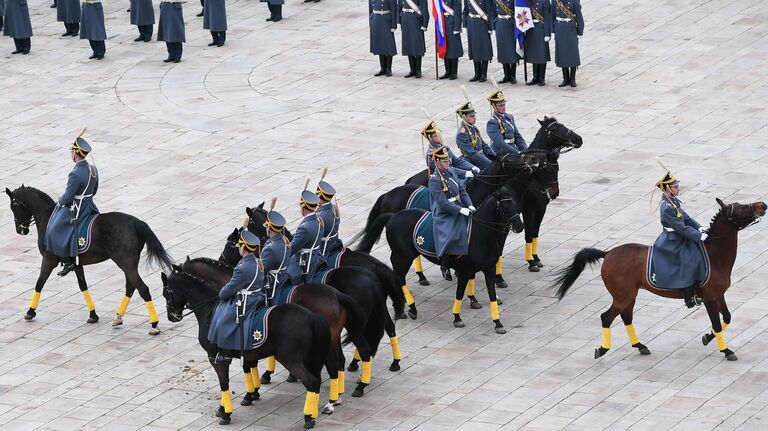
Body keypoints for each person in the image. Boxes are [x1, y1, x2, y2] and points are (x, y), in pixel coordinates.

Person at [44, 134, 99, 277]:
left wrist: (60, 200)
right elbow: (94, 191)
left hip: (78, 208)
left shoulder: (74, 174)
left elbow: (68, 198)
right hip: (90, 206)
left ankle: (68, 262)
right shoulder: (93, 169)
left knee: (55, 228)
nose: (71, 154)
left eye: (71, 151)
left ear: (75, 153)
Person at [207, 230, 266, 363]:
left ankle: (226, 353)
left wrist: (222, 292)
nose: (239, 248)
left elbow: (228, 290)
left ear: (244, 248)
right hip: (257, 296)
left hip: (247, 301)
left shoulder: (243, 267)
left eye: (240, 246)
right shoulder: (257, 261)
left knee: (223, 319)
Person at [652, 171, 708, 308]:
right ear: (667, 189)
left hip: (680, 236)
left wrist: (699, 228)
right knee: (689, 261)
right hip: (672, 240)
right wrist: (699, 236)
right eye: (675, 187)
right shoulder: (667, 208)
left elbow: (686, 218)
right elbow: (681, 228)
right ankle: (688, 298)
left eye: (677, 186)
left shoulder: (673, 201)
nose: (678, 189)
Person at [428, 146, 474, 281]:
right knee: (450, 234)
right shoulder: (434, 180)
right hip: (444, 211)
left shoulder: (450, 171)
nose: (449, 163)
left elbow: (462, 190)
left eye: (448, 160)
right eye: (445, 161)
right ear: (437, 163)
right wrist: (459, 210)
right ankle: (445, 264)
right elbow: (442, 202)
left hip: (458, 204)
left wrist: (470, 204)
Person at [287, 189, 326, 285]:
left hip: (304, 261)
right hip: (316, 256)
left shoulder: (304, 228)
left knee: (282, 278)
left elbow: (291, 250)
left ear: (303, 209)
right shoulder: (319, 219)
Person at [261, 209, 291, 301]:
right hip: (284, 276)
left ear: (269, 228)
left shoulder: (270, 248)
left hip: (273, 282)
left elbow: (262, 271)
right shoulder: (285, 240)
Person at [551, 0, 583, 87]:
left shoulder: (574, 2)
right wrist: (552, 30)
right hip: (559, 28)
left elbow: (579, 17)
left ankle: (572, 79)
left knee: (572, 54)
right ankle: (565, 78)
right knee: (562, 54)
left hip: (570, 29)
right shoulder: (555, 1)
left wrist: (580, 32)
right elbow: (552, 15)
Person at [456, 101, 495, 169]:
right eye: (471, 116)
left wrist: (495, 156)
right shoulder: (462, 134)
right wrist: (489, 164)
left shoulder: (473, 127)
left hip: (481, 157)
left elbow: (484, 145)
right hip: (472, 161)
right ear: (464, 117)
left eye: (474, 115)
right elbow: (472, 154)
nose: (474, 118)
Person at [486, 89, 527, 155]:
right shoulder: (492, 123)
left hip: (513, 149)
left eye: (504, 104)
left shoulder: (510, 117)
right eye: (500, 105)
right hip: (501, 153)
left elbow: (517, 136)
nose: (503, 107)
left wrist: (525, 150)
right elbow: (500, 143)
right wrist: (517, 153)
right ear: (494, 106)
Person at [463, 0, 493, 82]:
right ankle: (477, 73)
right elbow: (465, 10)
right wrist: (465, 25)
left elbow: (490, 11)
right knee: (474, 48)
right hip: (471, 23)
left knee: (484, 48)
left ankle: (484, 74)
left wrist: (490, 27)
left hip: (482, 23)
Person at [398, 0, 428, 78]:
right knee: (408, 44)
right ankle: (412, 69)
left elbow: (424, 8)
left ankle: (418, 70)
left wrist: (425, 24)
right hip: (405, 18)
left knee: (417, 44)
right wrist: (399, 20)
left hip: (415, 19)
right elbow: (399, 6)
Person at [315, 174, 343, 257]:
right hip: (335, 241)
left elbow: (314, 236)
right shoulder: (334, 208)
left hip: (324, 247)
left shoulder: (321, 215)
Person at [525, 0, 551, 85]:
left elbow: (547, 17)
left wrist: (547, 33)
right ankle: (535, 77)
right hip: (531, 29)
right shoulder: (528, 1)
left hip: (541, 29)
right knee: (534, 54)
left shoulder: (545, 1)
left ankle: (541, 78)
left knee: (541, 54)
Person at [369, 0, 398, 77]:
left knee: (388, 45)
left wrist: (393, 25)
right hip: (376, 20)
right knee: (379, 44)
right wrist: (370, 23)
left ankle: (388, 68)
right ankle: (383, 68)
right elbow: (370, 9)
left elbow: (393, 9)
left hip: (386, 20)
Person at [492, 0, 518, 83]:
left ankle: (513, 75)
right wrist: (493, 26)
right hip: (499, 24)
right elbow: (493, 12)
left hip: (510, 24)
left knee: (512, 50)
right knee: (502, 49)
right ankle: (506, 75)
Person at [439, 0, 463, 80]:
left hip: (452, 22)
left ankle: (454, 72)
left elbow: (458, 11)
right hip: (443, 22)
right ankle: (447, 71)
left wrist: (457, 27)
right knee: (445, 46)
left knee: (453, 48)